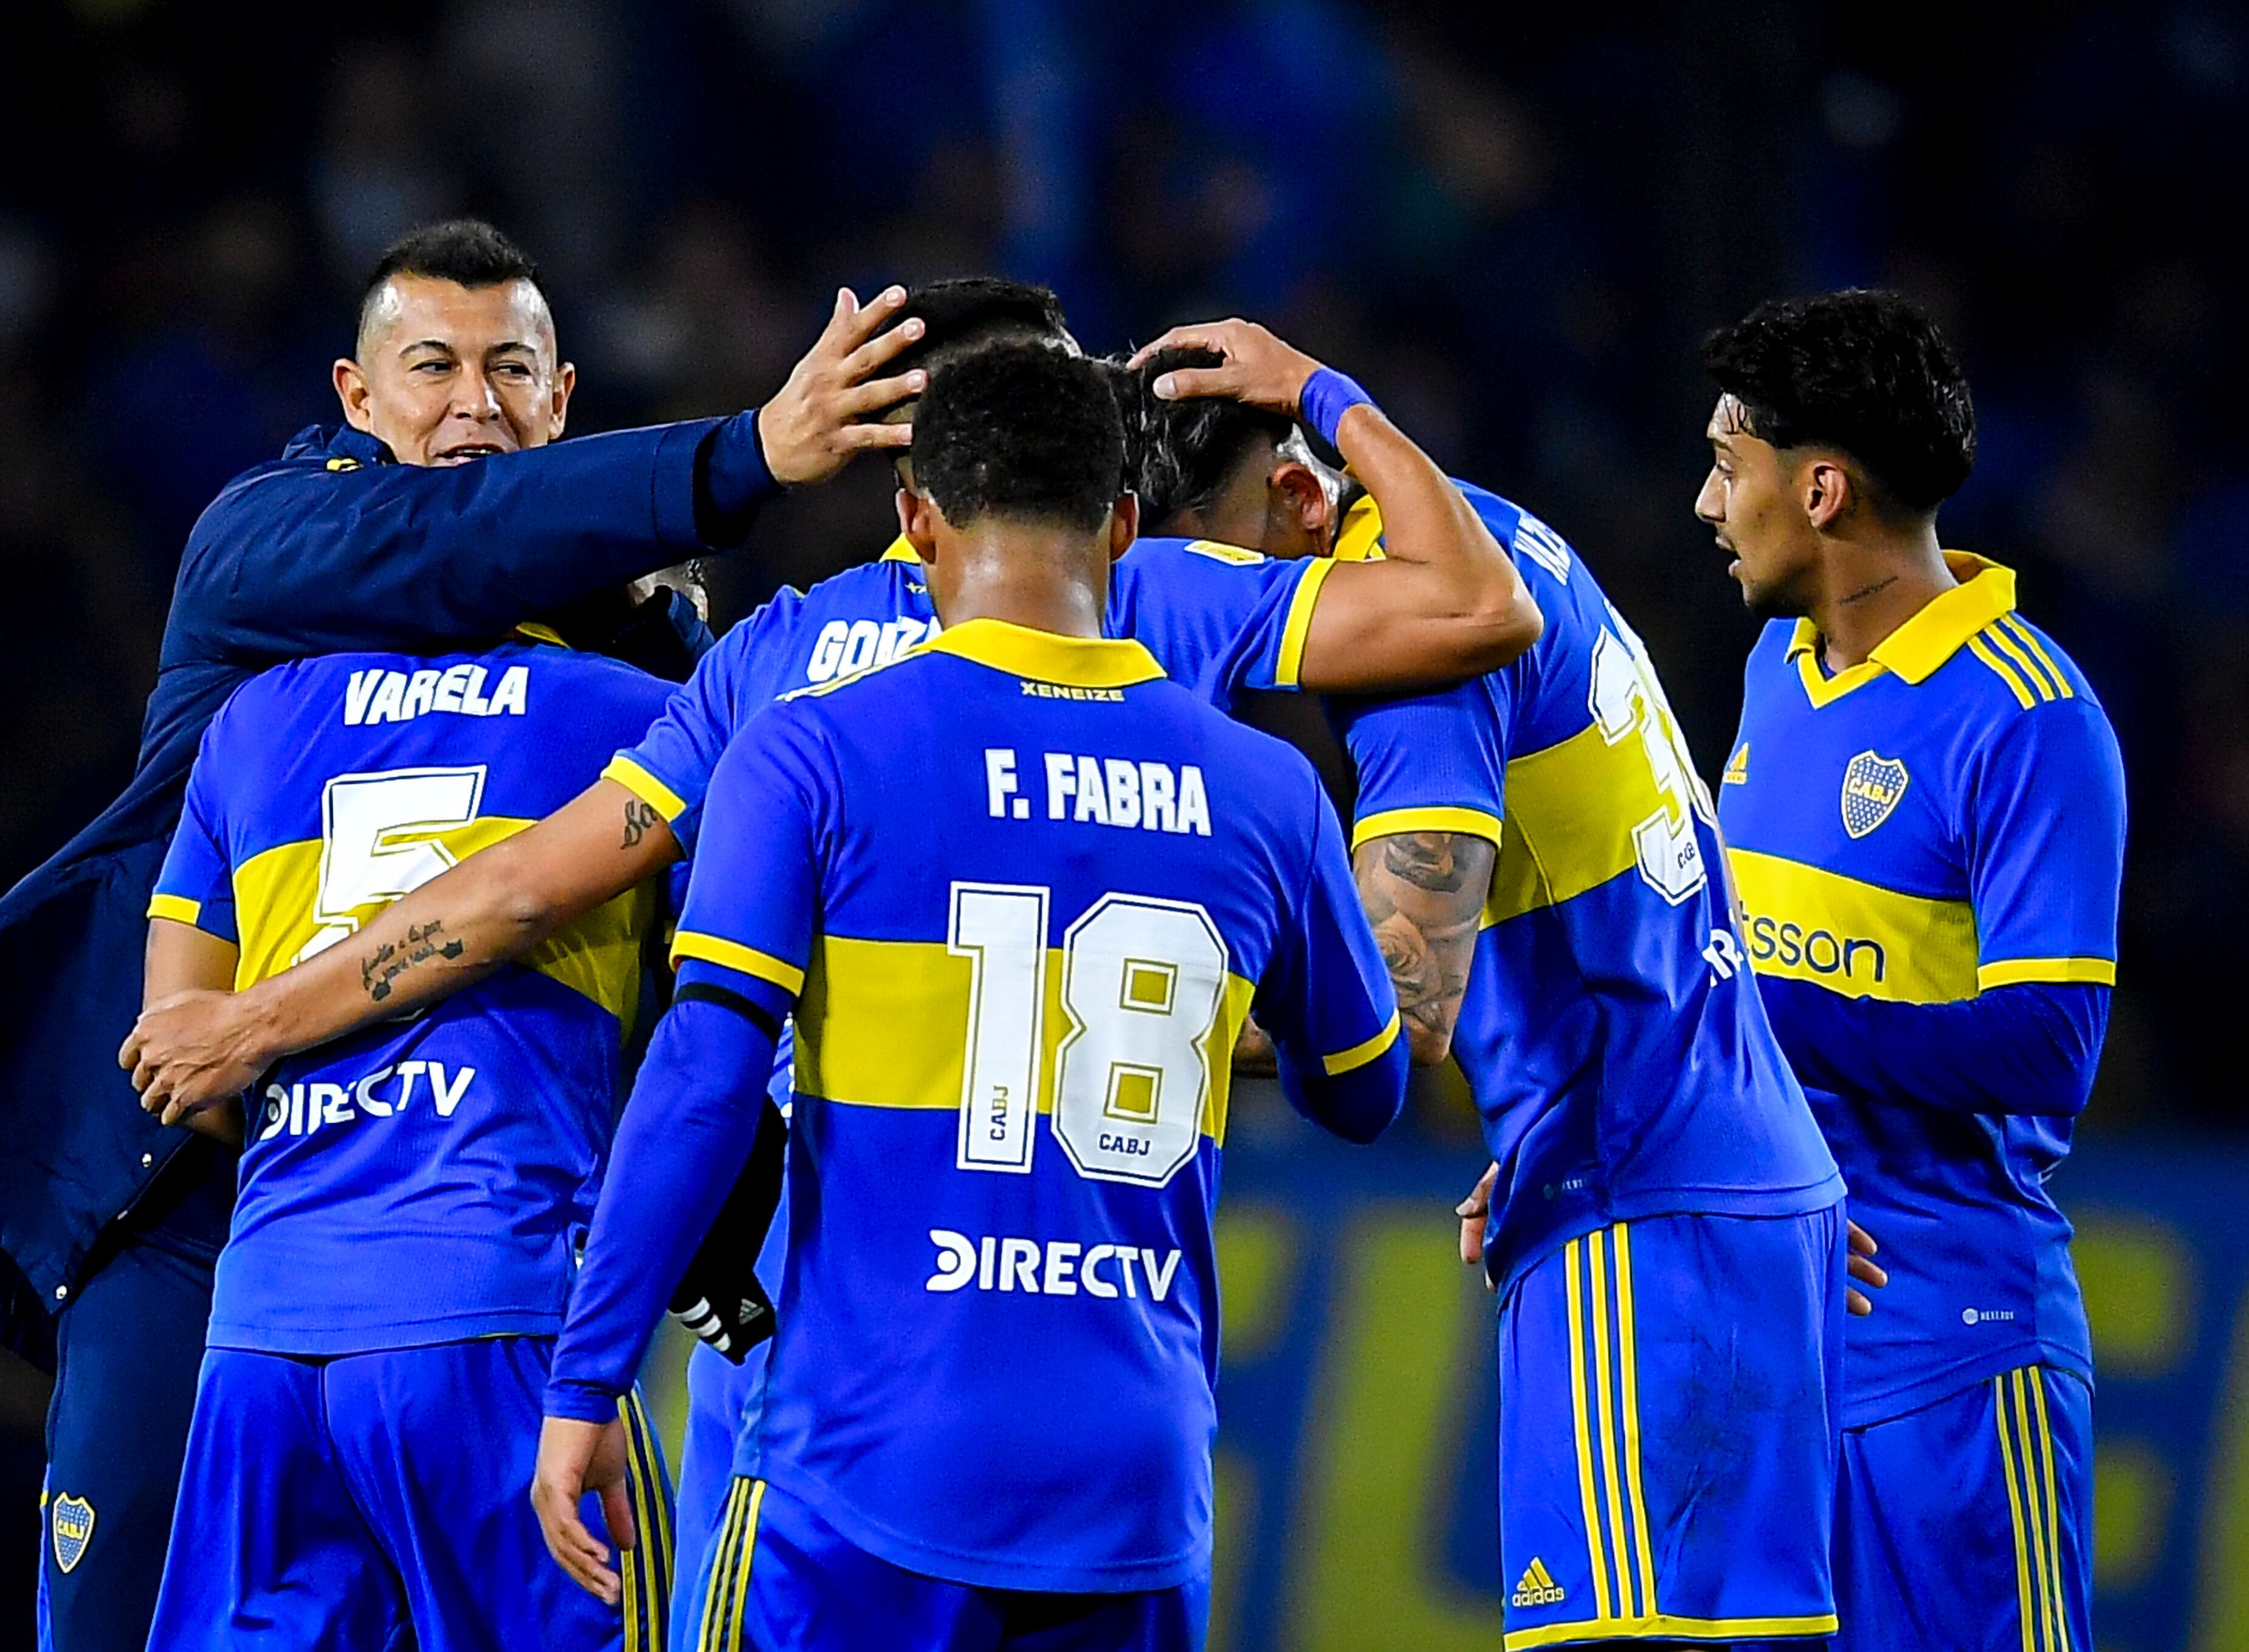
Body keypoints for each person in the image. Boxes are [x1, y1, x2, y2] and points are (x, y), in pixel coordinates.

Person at [118, 284, 1541, 1643]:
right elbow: (1476, 611)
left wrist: (264, 1021)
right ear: (1111, 498)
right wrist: (1319, 394)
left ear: (910, 486)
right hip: (1126, 1425)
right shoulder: (1166, 608)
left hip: (824, 1369)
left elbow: (524, 895)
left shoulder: (781, 668)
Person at [6, 213, 917, 1652]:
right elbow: (456, 545)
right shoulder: (262, 544)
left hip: (423, 1209)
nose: (473, 404)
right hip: (187, 1204)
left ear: (563, 401)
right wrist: (742, 455)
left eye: (511, 370)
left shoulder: (624, 646)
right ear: (355, 397)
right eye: (432, 366)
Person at [532, 339, 1408, 1652]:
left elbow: (704, 1079)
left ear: (918, 523)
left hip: (864, 1471)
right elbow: (1364, 1090)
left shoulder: (811, 751)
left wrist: (587, 1379)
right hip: (1134, 1482)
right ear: (1125, 527)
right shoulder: (1267, 791)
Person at [1130, 322, 1855, 1647]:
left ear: (1297, 495)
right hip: (1721, 1185)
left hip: (1639, 1216)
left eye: (1208, 571)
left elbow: (1401, 1000)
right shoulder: (1489, 535)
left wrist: (1091, 1004)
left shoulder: (1417, 653)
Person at [1695, 289, 2124, 1652]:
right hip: (1776, 1345)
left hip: (1953, 1348)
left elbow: (2048, 1048)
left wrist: (1773, 1017)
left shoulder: (2028, 717)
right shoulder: (1775, 668)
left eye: (1727, 466)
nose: (1707, 504)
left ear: (1820, 490)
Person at [139, 602, 689, 1648]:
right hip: (501, 1313)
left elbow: (179, 1064)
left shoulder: (255, 718)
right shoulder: (645, 715)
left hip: (265, 1337)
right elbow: (722, 1039)